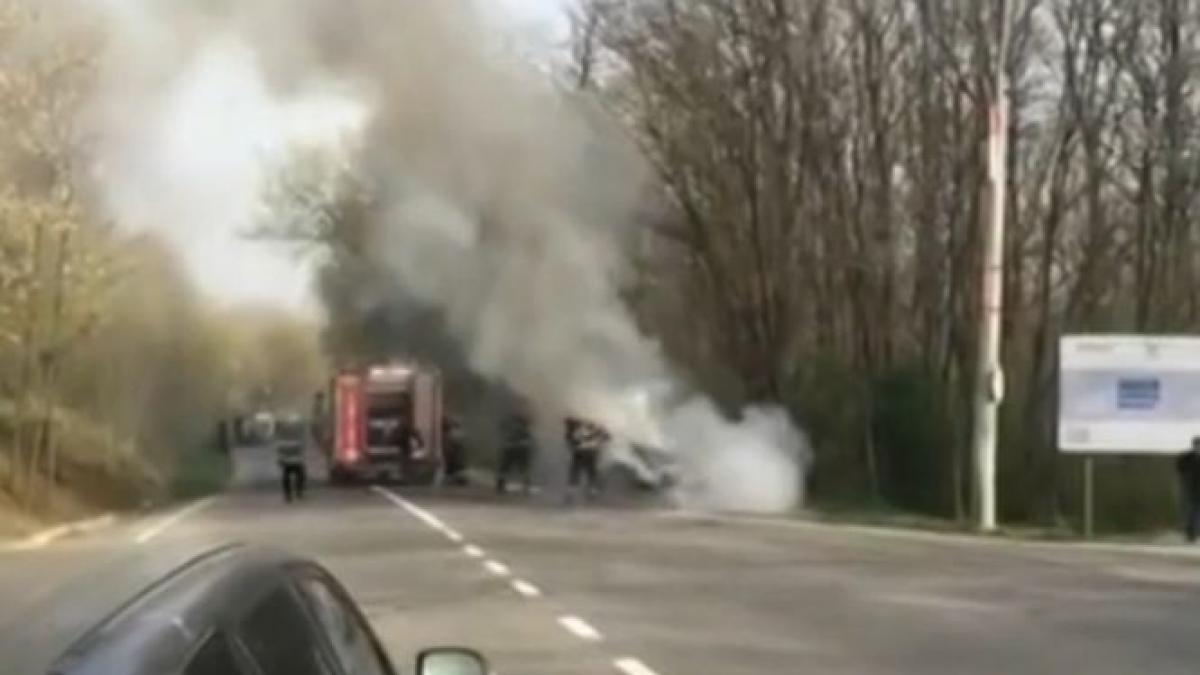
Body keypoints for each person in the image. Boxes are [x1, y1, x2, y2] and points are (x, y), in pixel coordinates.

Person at [566, 417, 609, 502]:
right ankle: (574, 491)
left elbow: (606, 437)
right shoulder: (577, 431)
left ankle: (588, 490)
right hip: (584, 452)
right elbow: (574, 441)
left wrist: (600, 433)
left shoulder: (593, 430)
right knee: (580, 471)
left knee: (586, 471)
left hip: (588, 452)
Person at [496, 414, 534, 494]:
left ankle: (501, 485)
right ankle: (501, 485)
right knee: (508, 468)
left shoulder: (521, 431)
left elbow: (527, 442)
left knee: (508, 468)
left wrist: (510, 444)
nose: (518, 425)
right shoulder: (522, 431)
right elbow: (527, 442)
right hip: (516, 451)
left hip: (515, 450)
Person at [276, 415, 307, 503]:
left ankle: (289, 494)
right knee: (300, 475)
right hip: (296, 459)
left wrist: (280, 458)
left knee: (287, 476)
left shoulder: (283, 435)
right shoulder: (297, 434)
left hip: (288, 459)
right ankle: (298, 492)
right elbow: (302, 446)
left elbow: (280, 448)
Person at [1176, 437, 1200, 543]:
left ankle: (1195, 533)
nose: (1198, 448)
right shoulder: (1186, 457)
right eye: (1197, 445)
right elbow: (1180, 468)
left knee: (1196, 512)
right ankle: (1190, 535)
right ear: (1194, 446)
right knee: (1191, 512)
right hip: (1190, 488)